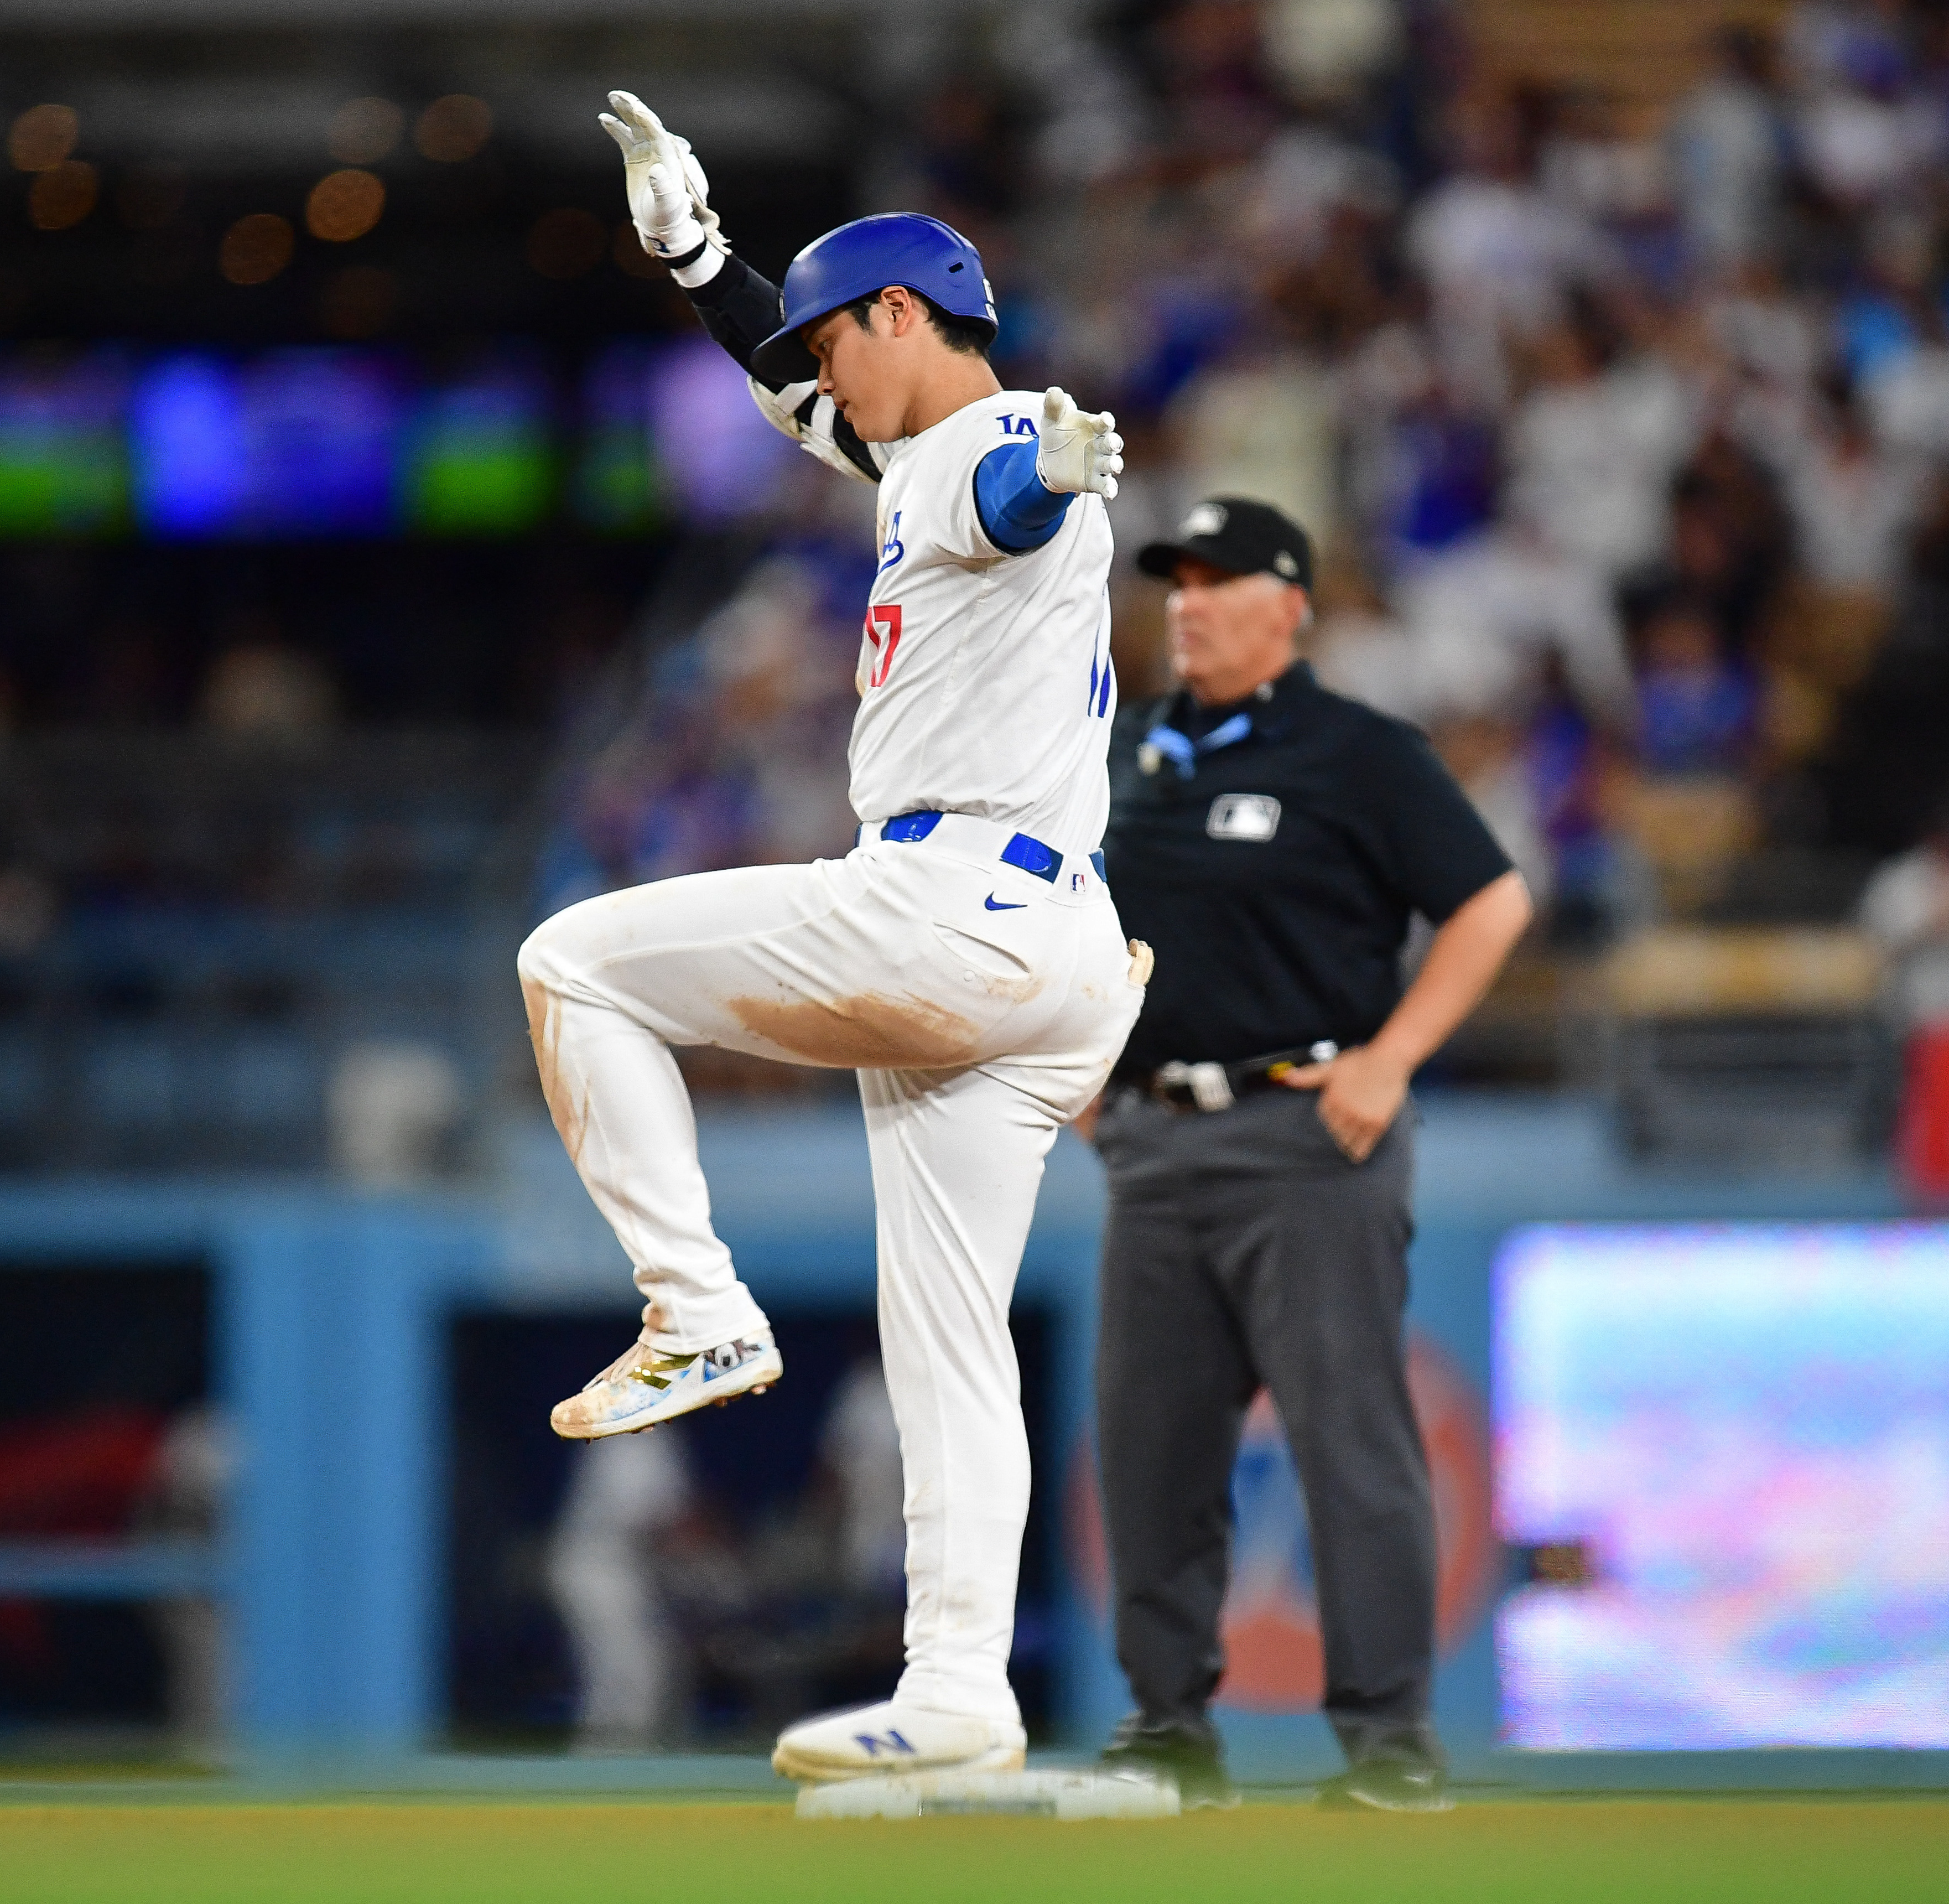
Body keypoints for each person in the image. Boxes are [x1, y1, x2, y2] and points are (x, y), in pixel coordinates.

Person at [517, 93, 1141, 1787]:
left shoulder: (981, 447)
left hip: (947, 913)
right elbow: (833, 409)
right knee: (948, 1338)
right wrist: (701, 258)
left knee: (571, 964)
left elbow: (1011, 488)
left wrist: (1042, 469)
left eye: (831, 335)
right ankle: (958, 1693)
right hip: (1058, 951)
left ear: (900, 317)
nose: (817, 371)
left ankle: (696, 1305)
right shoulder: (915, 447)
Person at [1084, 497, 1532, 1812]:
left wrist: (1391, 1058)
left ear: (1290, 603)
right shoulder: (1123, 756)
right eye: (1177, 581)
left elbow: (1490, 901)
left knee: (1351, 1441)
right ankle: (1168, 1729)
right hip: (1153, 1136)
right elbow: (1059, 918)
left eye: (1220, 580)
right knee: (1149, 1450)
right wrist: (1074, 1062)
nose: (1189, 602)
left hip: (1306, 1134)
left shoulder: (1356, 751)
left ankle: (1389, 1743)